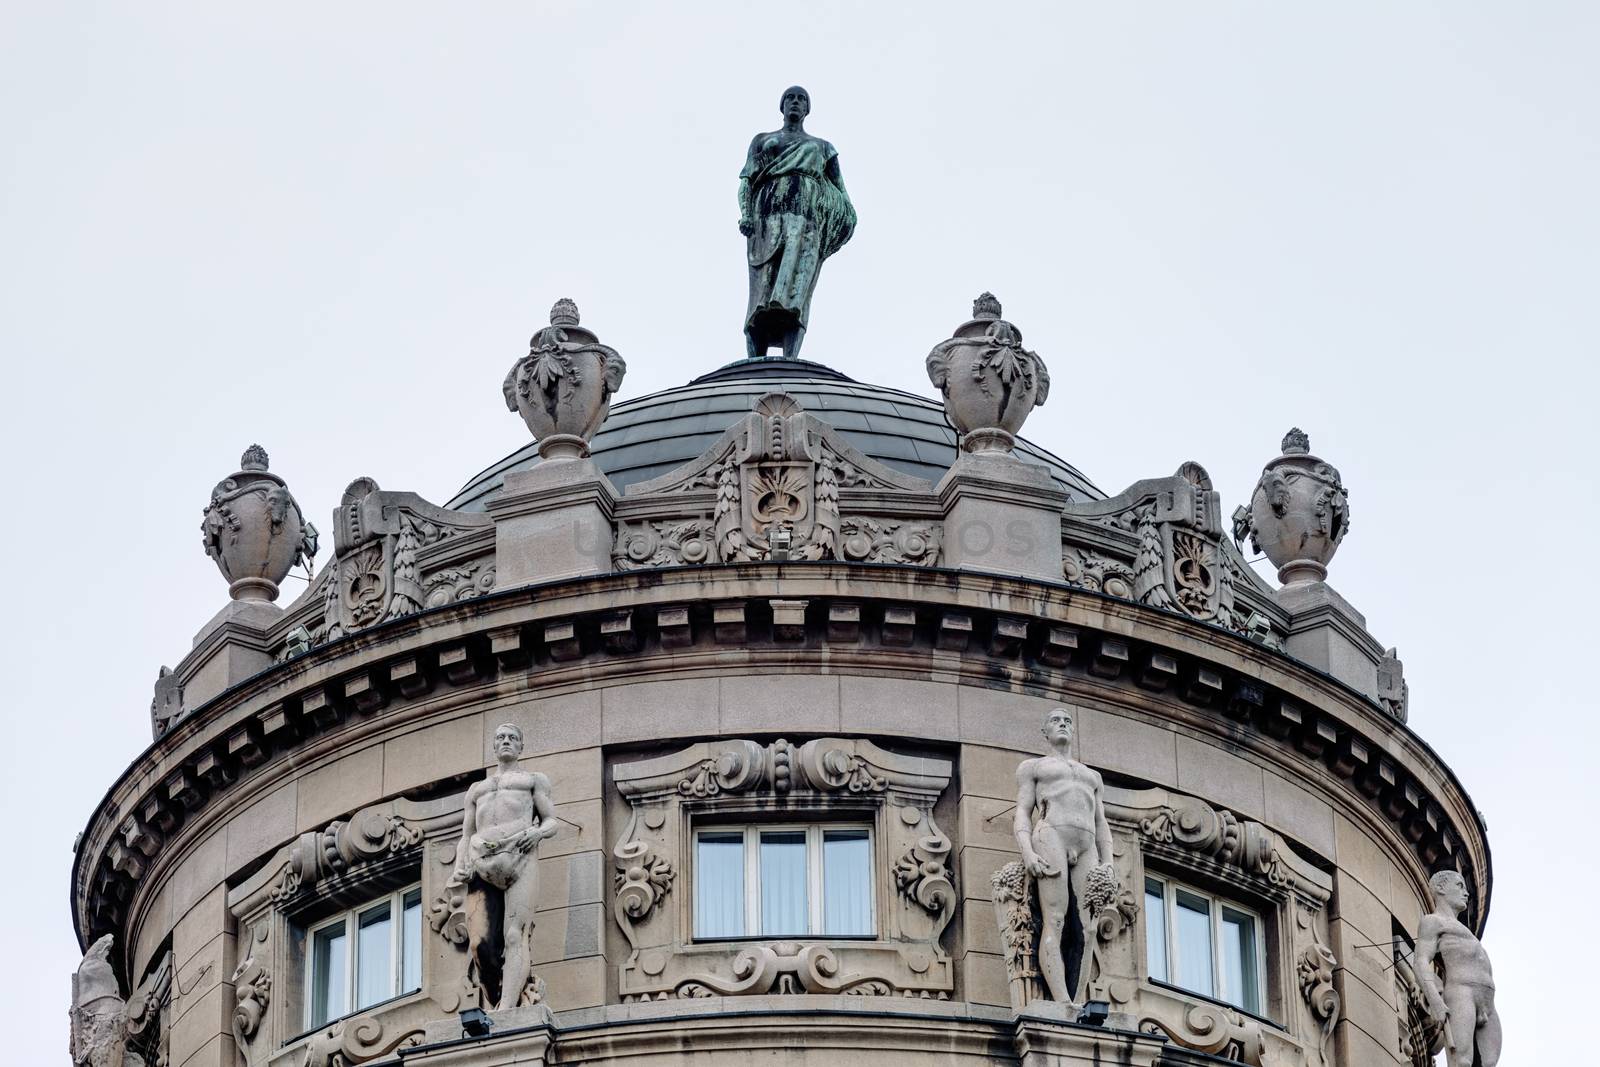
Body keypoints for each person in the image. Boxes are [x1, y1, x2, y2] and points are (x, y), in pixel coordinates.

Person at [737, 85, 856, 360]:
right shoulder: (763, 139)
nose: (795, 102)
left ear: (807, 109)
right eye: (790, 97)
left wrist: (839, 224)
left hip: (806, 225)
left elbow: (841, 192)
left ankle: (791, 359)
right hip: (766, 218)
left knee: (797, 295)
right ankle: (756, 360)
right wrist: (745, 214)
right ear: (782, 106)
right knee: (760, 294)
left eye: (801, 98)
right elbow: (746, 181)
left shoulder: (823, 147)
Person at [448, 722, 558, 1011]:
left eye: (512, 738)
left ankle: (507, 1008)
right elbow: (466, 835)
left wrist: (537, 832)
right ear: (494, 746)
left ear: (521, 746)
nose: (506, 741)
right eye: (500, 737)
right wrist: (461, 864)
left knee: (514, 935)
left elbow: (551, 821)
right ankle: (497, 995)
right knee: (480, 945)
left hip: (519, 858)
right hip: (482, 860)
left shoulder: (533, 780)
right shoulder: (477, 790)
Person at [1013, 707, 1114, 1003]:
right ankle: (1062, 1002)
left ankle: (1077, 999)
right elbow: (1022, 810)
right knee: (1055, 919)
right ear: (1045, 731)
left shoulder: (1092, 776)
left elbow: (1101, 822)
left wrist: (1108, 862)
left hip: (1086, 845)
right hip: (1051, 834)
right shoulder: (1034, 767)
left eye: (1068, 721)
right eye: (1056, 720)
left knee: (1088, 926)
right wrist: (1028, 852)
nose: (1063, 724)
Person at [1416, 869, 1501, 1067]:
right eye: (1460, 885)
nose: (1466, 892)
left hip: (1488, 1003)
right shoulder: (1433, 921)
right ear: (1440, 888)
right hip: (1462, 994)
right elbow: (1420, 961)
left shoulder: (1463, 930)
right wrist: (1435, 1001)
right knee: (1461, 1062)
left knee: (1489, 1064)